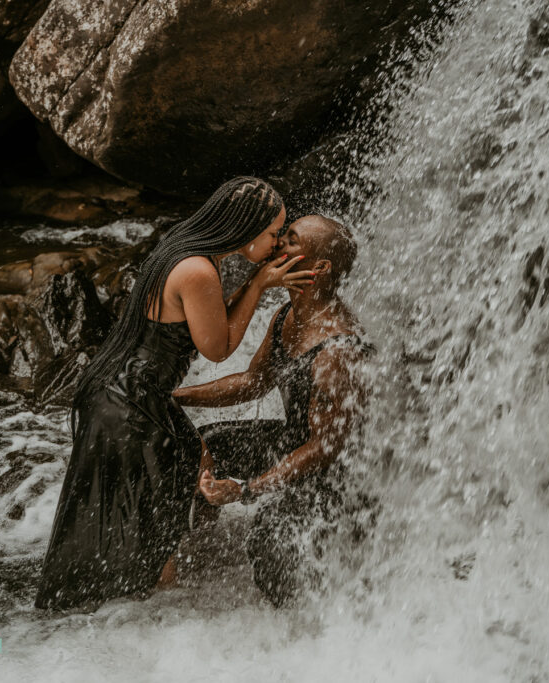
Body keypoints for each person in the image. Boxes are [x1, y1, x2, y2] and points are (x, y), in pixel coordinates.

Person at [34, 177, 315, 611]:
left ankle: (126, 596)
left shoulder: (188, 247)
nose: (278, 241)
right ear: (245, 226)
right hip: (130, 406)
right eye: (274, 231)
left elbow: (209, 323)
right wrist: (259, 285)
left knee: (182, 467)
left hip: (123, 394)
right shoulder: (199, 270)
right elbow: (217, 347)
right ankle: (151, 607)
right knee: (150, 516)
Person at [168, 214, 375, 606]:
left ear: (319, 267)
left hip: (336, 477)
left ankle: (293, 627)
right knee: (199, 448)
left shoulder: (340, 350)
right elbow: (253, 382)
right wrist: (178, 395)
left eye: (292, 240)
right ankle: (197, 559)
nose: (279, 242)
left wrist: (247, 489)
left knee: (269, 533)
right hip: (291, 442)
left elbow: (324, 449)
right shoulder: (288, 316)